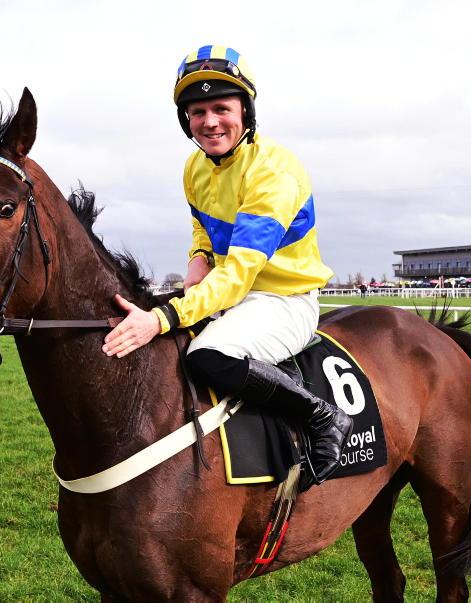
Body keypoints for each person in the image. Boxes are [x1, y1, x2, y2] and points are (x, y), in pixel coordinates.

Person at [103, 45, 352, 487]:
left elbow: (238, 275)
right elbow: (202, 226)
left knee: (206, 357)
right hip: (231, 294)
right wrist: (198, 258)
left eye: (222, 108)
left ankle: (323, 417)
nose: (210, 122)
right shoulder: (194, 167)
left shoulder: (273, 170)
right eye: (198, 112)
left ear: (245, 111)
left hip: (283, 300)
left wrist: (159, 318)